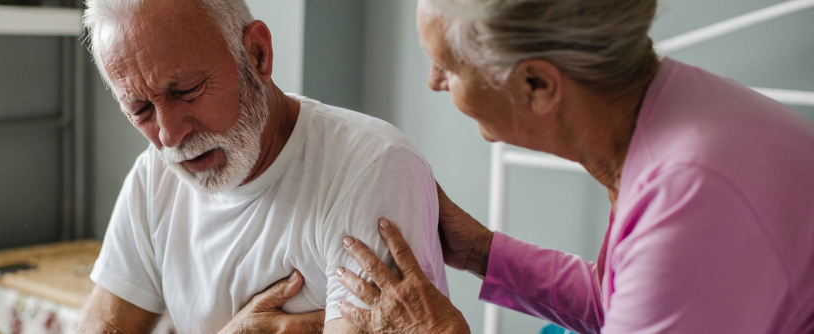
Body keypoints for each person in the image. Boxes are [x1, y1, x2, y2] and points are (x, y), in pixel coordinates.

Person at [332, 0, 814, 333]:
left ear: (536, 84)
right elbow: (622, 300)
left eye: (449, 67)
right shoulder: (670, 104)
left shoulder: (692, 195)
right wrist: (482, 251)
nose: (434, 82)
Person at [75, 0, 451, 333]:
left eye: (187, 90)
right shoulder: (153, 177)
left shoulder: (370, 168)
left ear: (257, 54)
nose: (170, 136)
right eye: (140, 110)